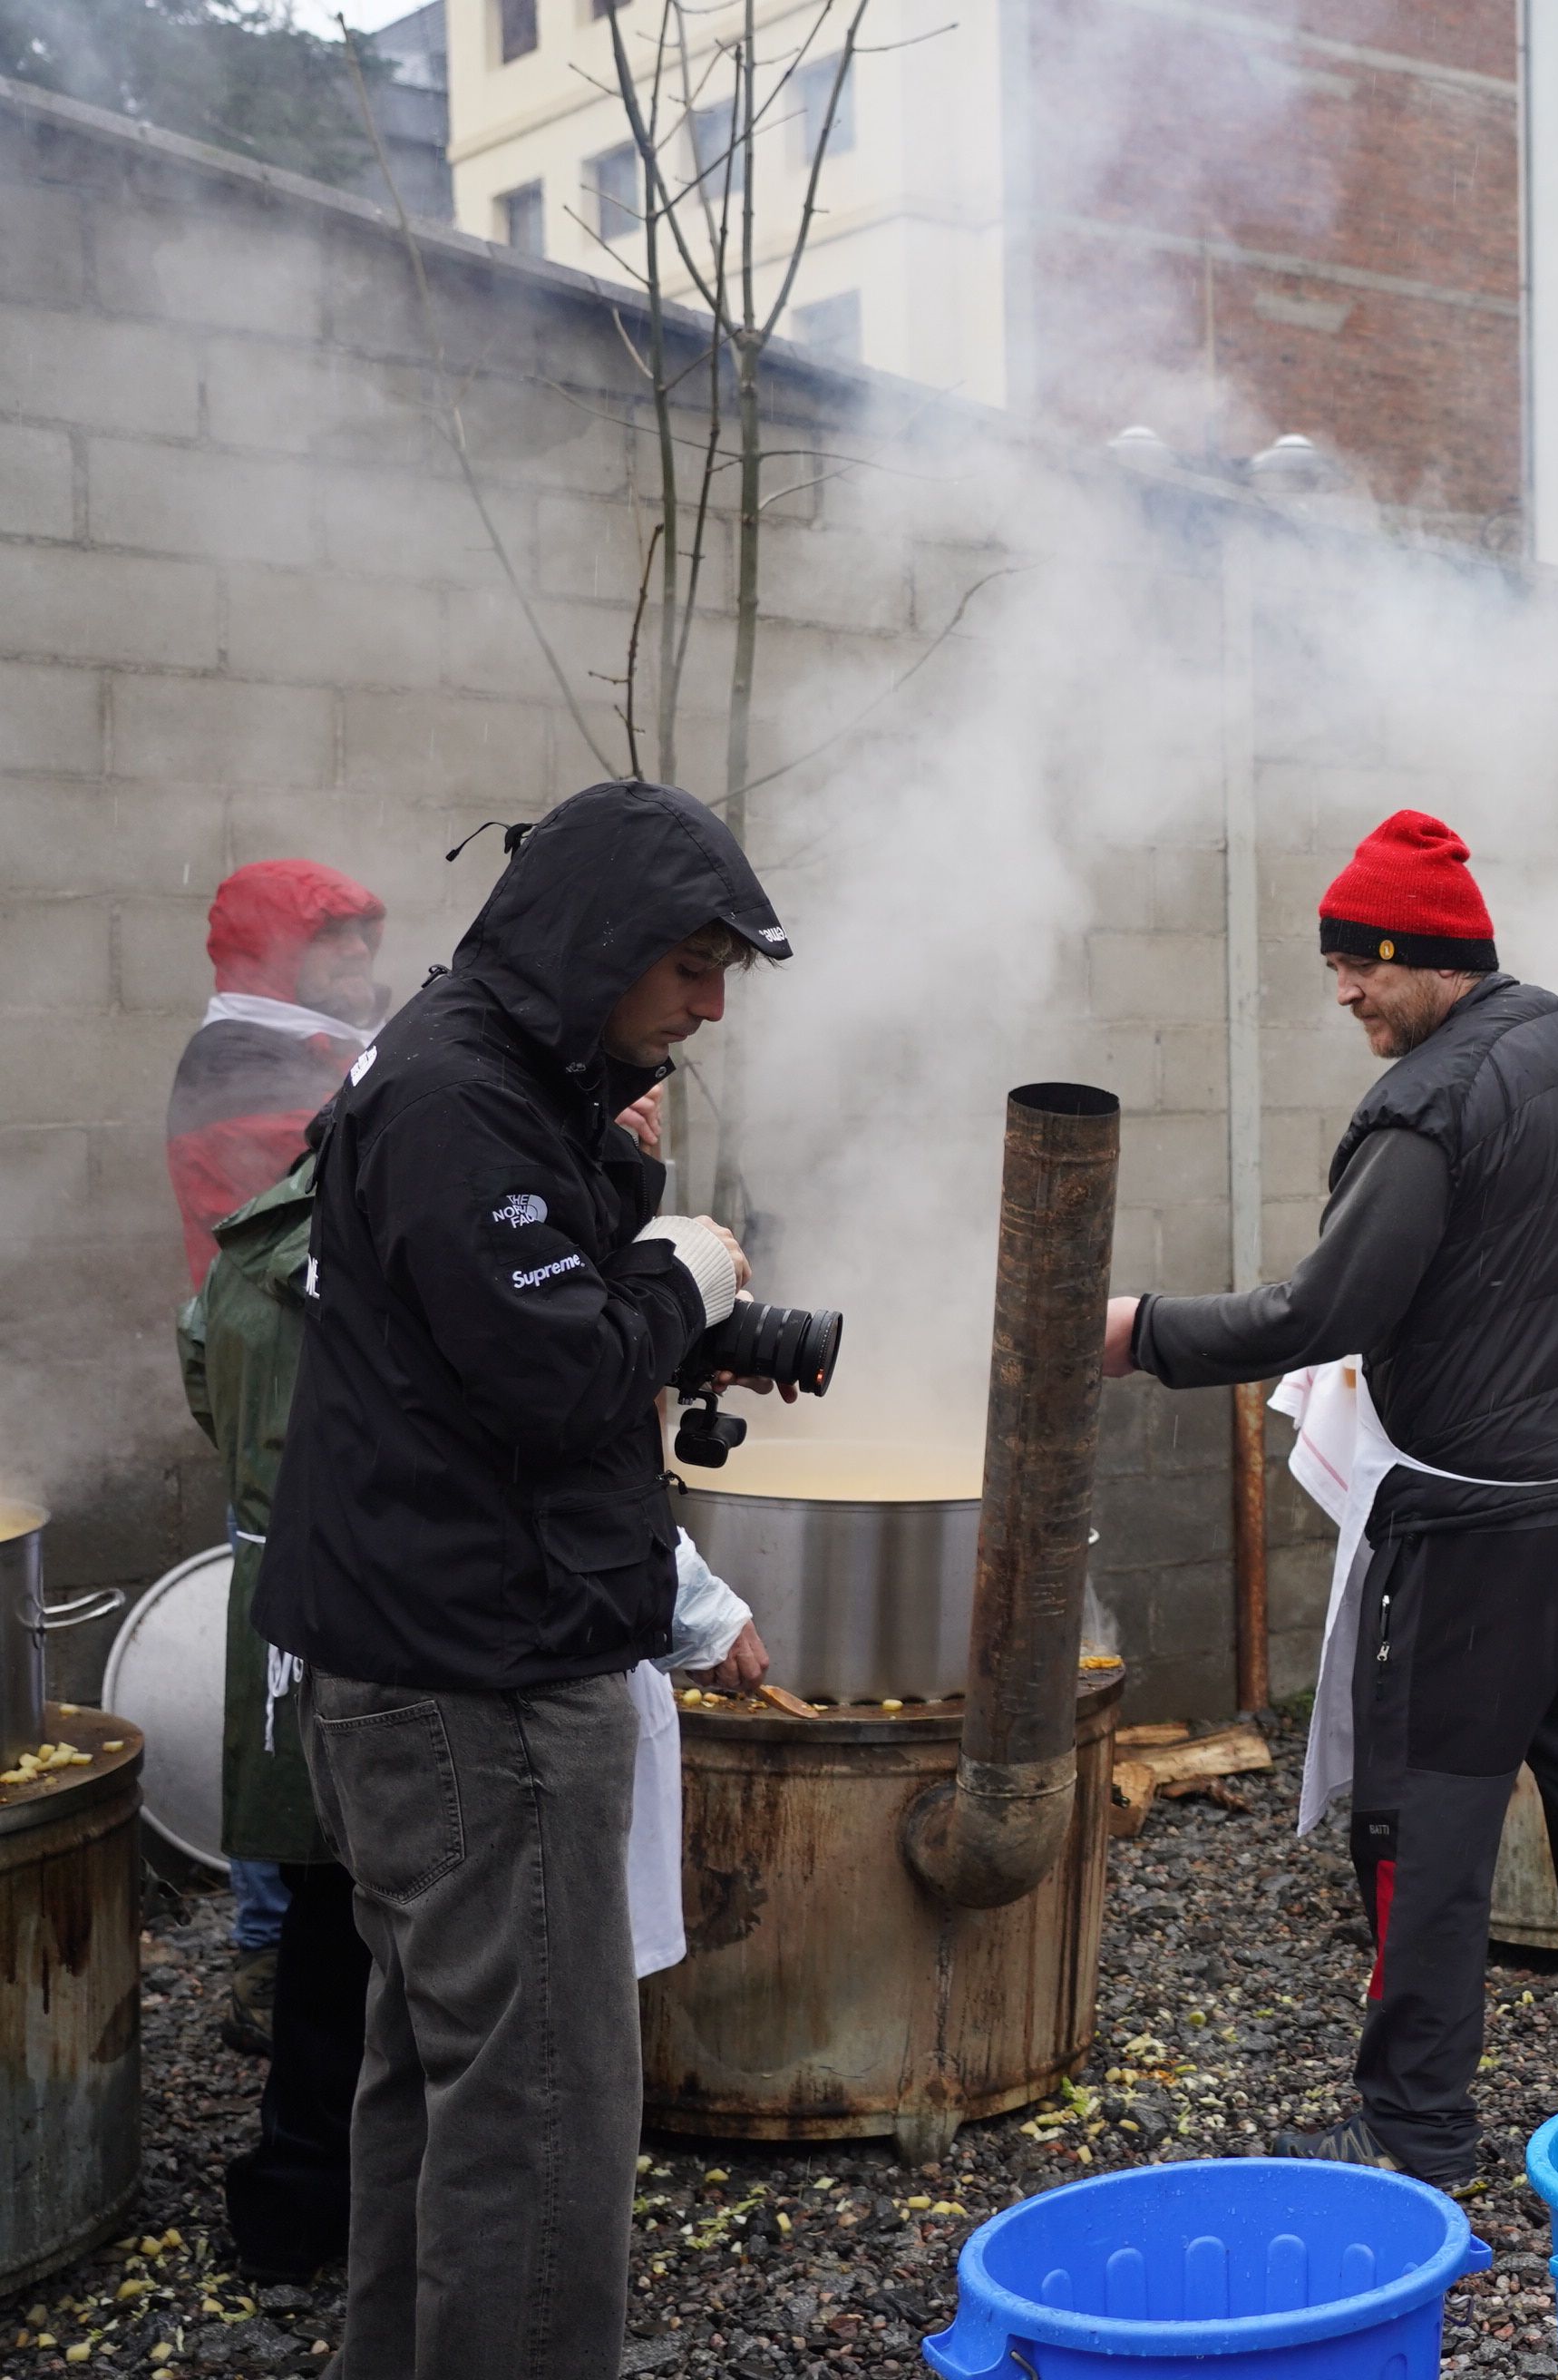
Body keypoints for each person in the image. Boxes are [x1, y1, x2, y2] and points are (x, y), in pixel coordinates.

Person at [1100, 808, 1558, 2188]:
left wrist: (1146, 1332)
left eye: (1358, 966)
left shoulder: (1428, 1101)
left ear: (1429, 956)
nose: (1343, 994)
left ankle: (1415, 2128)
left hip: (1489, 1525)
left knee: (1428, 1814)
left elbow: (1325, 1307)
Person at [257, 778, 788, 2380]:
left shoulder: (499, 1069)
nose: (707, 1002)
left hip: (428, 1647)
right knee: (546, 2110)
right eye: (692, 962)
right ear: (601, 938)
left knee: (447, 2081)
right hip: (478, 1676)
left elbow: (530, 1292)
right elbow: (555, 1378)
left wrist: (640, 1225)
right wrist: (678, 1276)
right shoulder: (455, 1097)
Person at [165, 860, 389, 2037]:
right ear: (270, 955)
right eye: (336, 946)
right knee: (276, 1674)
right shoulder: (242, 1066)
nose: (362, 965)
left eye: (365, 942)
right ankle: (268, 1952)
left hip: (313, 1384)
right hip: (274, 1393)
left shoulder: (317, 1044)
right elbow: (350, 1160)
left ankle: (294, 1937)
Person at [168, 861, 389, 1292]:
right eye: (330, 933)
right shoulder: (233, 1061)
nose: (359, 950)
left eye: (361, 932)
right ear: (265, 954)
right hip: (280, 1329)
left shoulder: (333, 1040)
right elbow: (369, 1176)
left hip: (340, 1315)